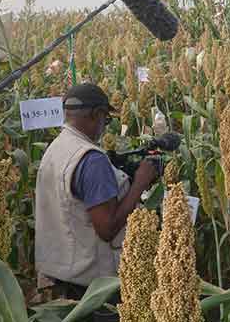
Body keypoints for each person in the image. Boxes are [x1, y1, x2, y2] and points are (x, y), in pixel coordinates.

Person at [35, 83, 159, 299]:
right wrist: (140, 182)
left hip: (61, 275)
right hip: (92, 286)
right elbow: (107, 228)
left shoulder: (55, 147)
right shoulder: (92, 160)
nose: (105, 127)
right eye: (106, 120)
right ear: (97, 114)